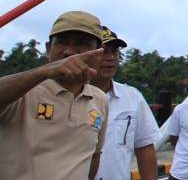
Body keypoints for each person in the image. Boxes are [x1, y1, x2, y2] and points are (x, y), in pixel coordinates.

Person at [0, 10, 108, 180]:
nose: (69, 52)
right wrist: (42, 72)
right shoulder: (23, 91)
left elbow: (94, 155)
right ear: (48, 49)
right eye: (61, 42)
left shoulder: (100, 99)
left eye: (82, 43)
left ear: (99, 52)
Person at [94, 26, 160, 180]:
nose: (110, 58)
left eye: (114, 52)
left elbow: (145, 147)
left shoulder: (132, 97)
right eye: (103, 51)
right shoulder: (68, 96)